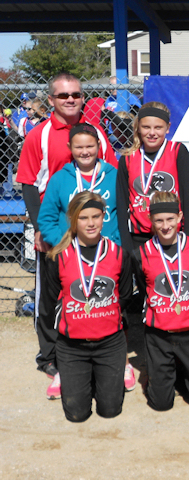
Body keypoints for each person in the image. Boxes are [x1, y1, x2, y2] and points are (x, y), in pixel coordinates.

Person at [16, 72, 117, 398]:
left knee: (90, 293)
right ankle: (50, 356)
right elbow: (30, 184)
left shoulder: (96, 133)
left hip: (94, 233)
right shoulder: (40, 135)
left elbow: (110, 178)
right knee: (50, 299)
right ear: (50, 100)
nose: (71, 100)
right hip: (56, 233)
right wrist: (40, 229)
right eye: (63, 96)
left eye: (76, 94)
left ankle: (92, 351)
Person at [39, 192, 133, 420]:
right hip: (73, 347)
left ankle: (107, 372)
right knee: (76, 414)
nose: (90, 223)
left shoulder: (119, 254)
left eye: (95, 216)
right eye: (83, 218)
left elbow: (125, 296)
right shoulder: (58, 257)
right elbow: (49, 305)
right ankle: (72, 375)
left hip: (110, 344)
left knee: (110, 410)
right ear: (73, 220)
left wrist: (101, 314)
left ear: (104, 217)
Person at [132, 192, 189, 411]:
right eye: (159, 220)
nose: (165, 225)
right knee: (161, 404)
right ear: (151, 221)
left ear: (179, 217)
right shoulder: (140, 254)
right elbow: (143, 289)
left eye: (170, 219)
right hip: (159, 335)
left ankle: (182, 375)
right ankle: (159, 379)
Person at [116, 102, 189, 253]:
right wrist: (127, 246)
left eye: (158, 128)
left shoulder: (177, 152)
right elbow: (121, 204)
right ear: (138, 128)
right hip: (139, 238)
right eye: (146, 127)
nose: (152, 133)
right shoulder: (128, 158)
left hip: (173, 236)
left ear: (167, 128)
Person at [38, 124, 120, 248]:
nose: (85, 152)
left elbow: (125, 215)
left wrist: (116, 243)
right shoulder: (59, 179)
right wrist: (62, 245)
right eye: (79, 147)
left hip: (108, 251)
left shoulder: (114, 176)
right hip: (70, 252)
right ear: (69, 147)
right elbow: (46, 218)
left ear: (99, 145)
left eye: (90, 146)